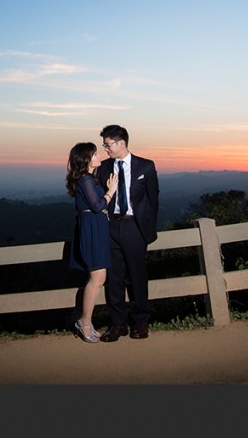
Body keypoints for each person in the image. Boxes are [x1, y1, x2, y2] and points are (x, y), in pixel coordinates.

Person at [96, 124, 160, 341]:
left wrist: (146, 232)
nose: (105, 149)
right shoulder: (103, 168)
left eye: (108, 144)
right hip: (111, 227)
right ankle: (118, 324)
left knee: (137, 276)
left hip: (135, 228)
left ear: (121, 143)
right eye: (104, 145)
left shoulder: (146, 166)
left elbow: (154, 201)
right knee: (113, 278)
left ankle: (141, 322)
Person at [65, 142, 118, 343]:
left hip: (96, 228)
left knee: (99, 277)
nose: (99, 156)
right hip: (92, 229)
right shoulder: (85, 179)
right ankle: (84, 322)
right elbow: (97, 206)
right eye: (95, 154)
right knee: (96, 278)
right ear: (86, 159)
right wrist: (111, 190)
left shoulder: (90, 179)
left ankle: (87, 321)